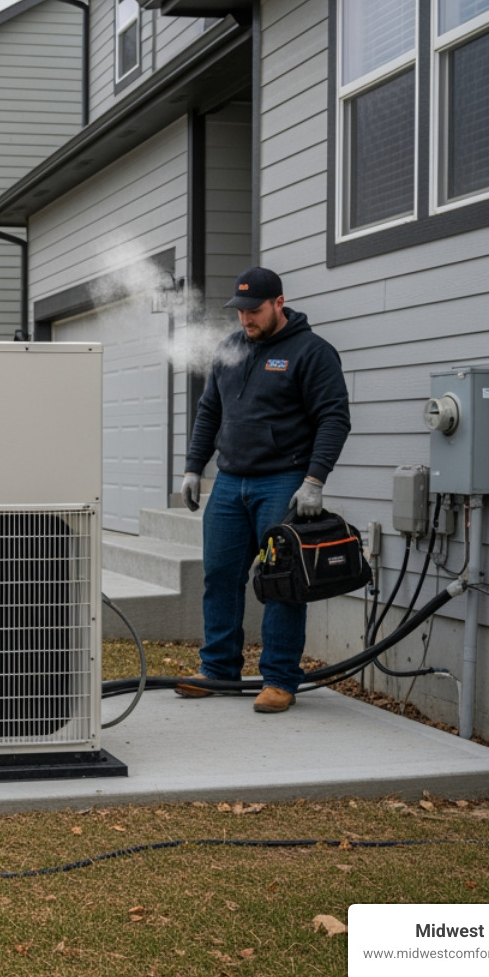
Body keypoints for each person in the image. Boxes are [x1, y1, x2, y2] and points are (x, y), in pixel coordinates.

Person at [177, 266, 350, 713]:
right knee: (219, 576)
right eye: (240, 312)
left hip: (283, 480)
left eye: (254, 311)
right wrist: (194, 467)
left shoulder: (312, 352)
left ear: (279, 303)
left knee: (282, 582)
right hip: (231, 482)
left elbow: (334, 418)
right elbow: (209, 412)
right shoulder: (229, 349)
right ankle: (217, 669)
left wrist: (314, 481)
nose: (246, 320)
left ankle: (279, 679)